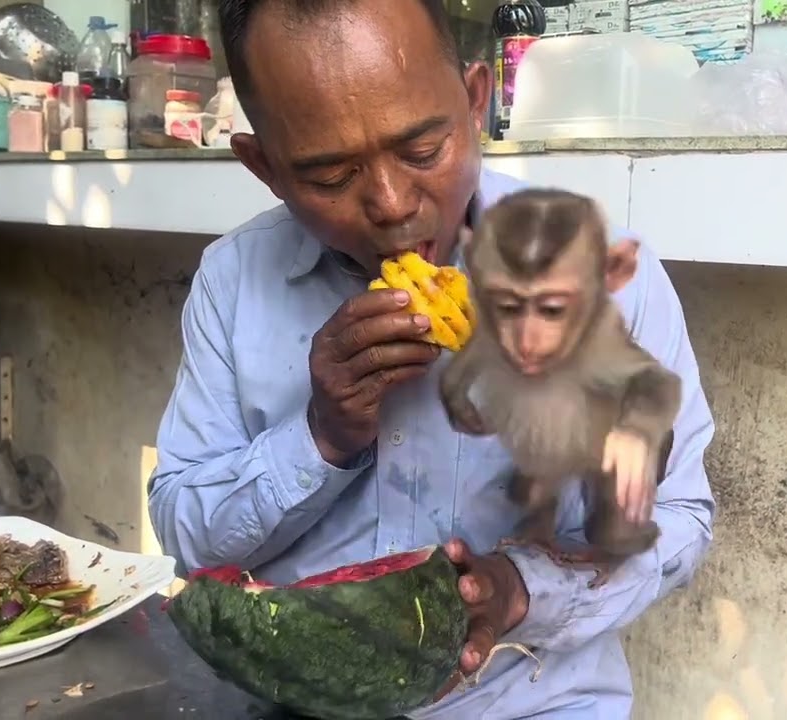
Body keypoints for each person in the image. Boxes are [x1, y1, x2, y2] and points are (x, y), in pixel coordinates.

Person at [147, 0, 716, 716]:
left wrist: (525, 587)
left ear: (476, 103)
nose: (391, 204)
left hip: (529, 703)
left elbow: (682, 518)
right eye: (330, 176)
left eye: (422, 152)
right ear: (265, 167)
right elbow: (189, 540)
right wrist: (322, 436)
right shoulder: (233, 281)